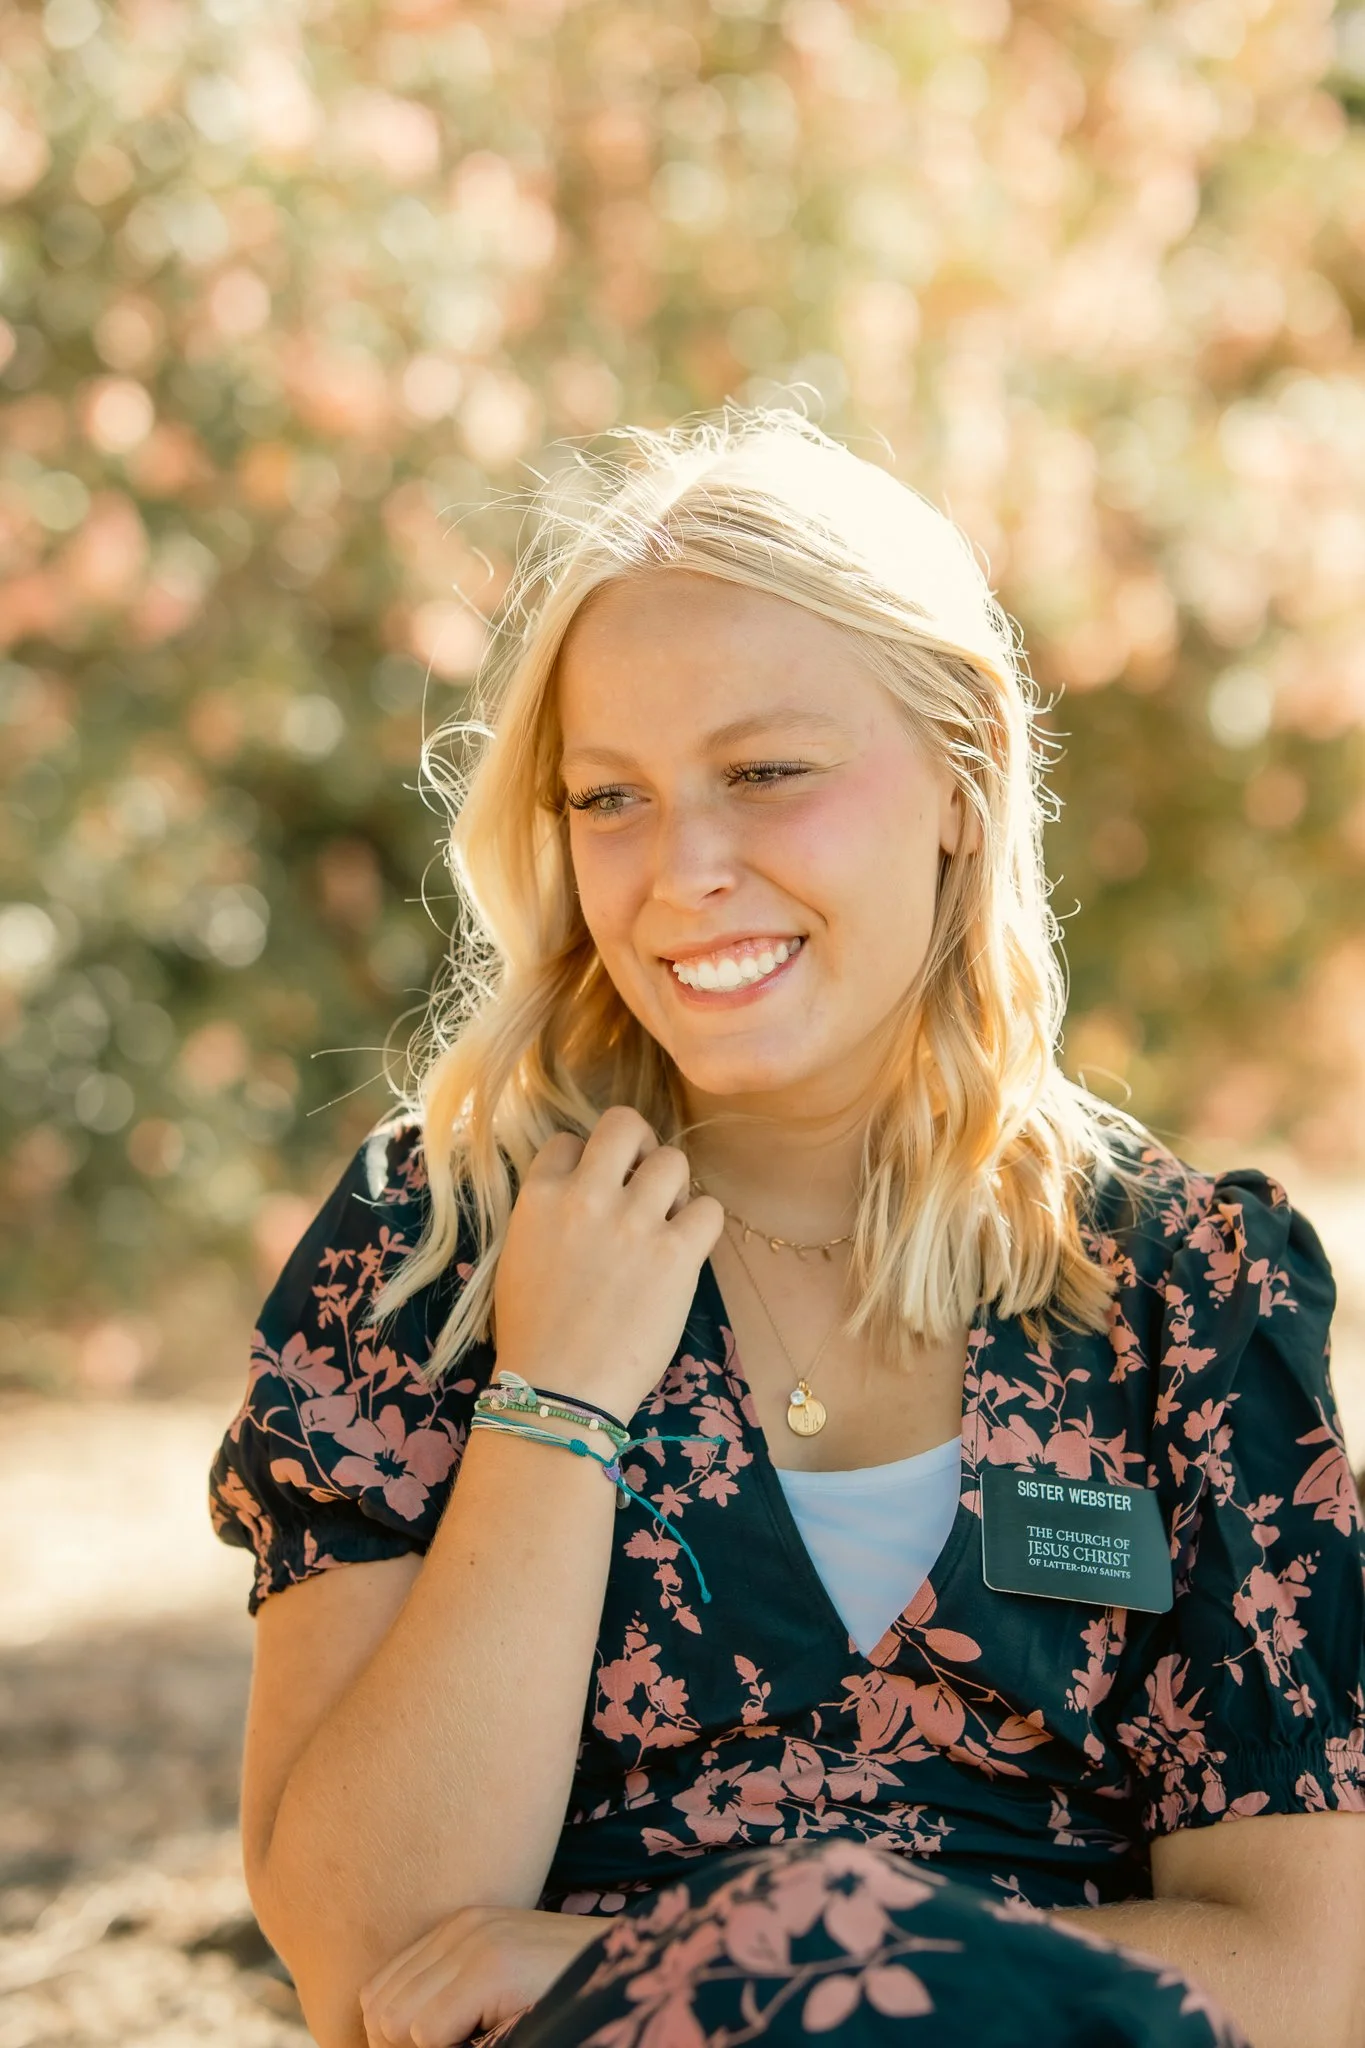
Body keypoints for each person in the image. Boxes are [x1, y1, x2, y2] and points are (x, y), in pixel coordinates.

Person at [209, 405, 1365, 2048]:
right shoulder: (440, 1246)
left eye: (766, 774)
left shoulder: (1183, 1296)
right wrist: (556, 1403)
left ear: (964, 778)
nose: (683, 870)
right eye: (609, 797)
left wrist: (767, 1960)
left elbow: (1315, 1981)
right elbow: (374, 1960)